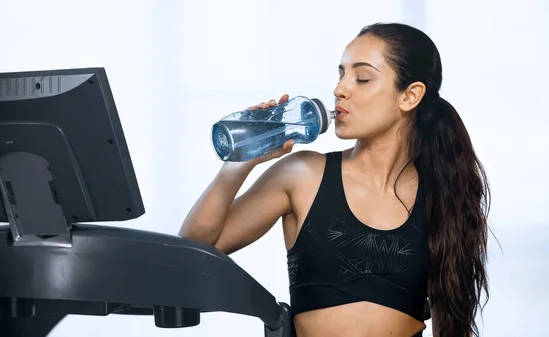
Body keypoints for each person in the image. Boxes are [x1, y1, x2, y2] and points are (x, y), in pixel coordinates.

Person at [180, 22, 491, 337]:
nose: (340, 89)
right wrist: (239, 164)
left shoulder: (441, 190)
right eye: (341, 74)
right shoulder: (301, 176)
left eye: (362, 78)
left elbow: (452, 324)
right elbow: (191, 252)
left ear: (409, 96)